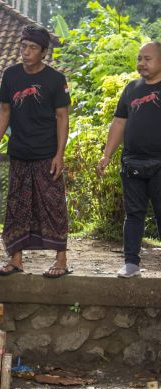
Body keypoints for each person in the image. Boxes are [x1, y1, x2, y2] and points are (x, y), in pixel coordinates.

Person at [0, 24, 71, 278]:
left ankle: (61, 260)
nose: (26, 52)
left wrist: (59, 154)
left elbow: (62, 117)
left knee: (53, 205)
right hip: (19, 152)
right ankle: (16, 259)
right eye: (23, 46)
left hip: (47, 153)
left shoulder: (55, 79)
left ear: (43, 52)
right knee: (17, 206)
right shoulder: (11, 75)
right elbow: (4, 111)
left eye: (32, 48)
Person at [98, 42, 161, 278]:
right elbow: (119, 123)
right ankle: (131, 263)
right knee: (133, 214)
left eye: (147, 59)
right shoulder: (131, 89)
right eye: (139, 59)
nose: (141, 64)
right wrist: (107, 155)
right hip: (132, 163)